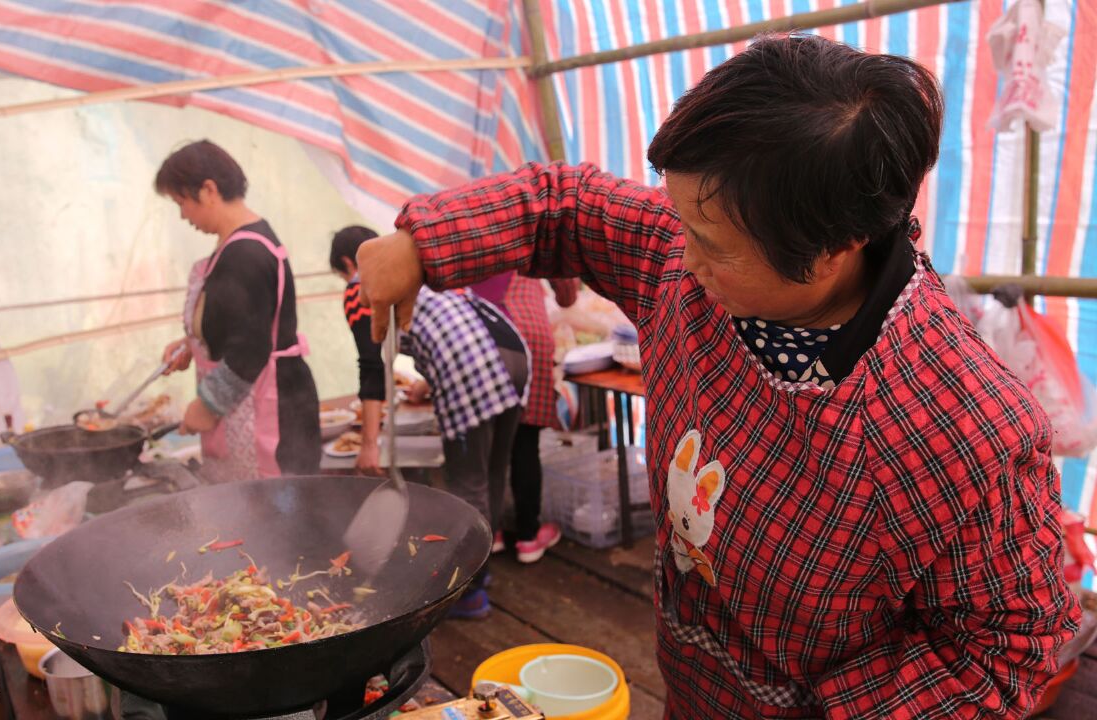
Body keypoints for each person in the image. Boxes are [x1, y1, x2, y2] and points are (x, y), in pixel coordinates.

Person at [354, 35, 1080, 719]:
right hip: (690, 681)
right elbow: (566, 204)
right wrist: (423, 241)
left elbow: (1004, 645)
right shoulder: (683, 254)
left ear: (832, 251)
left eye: (712, 246)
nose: (685, 258)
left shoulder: (960, 425)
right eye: (681, 221)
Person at [331, 225, 526, 618]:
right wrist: (425, 382)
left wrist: (370, 444)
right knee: (491, 476)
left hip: (473, 370)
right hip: (512, 356)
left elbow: (372, 366)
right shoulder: (412, 263)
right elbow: (450, 325)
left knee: (467, 487)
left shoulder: (360, 286)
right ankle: (481, 574)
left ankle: (468, 593)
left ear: (350, 262)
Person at [156, 140, 319, 483]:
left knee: (272, 522)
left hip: (272, 414)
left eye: (181, 202)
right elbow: (243, 320)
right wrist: (195, 343)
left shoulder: (245, 253)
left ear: (209, 189)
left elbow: (251, 348)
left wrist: (207, 406)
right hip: (256, 404)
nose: (183, 215)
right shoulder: (237, 242)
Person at [471, 273, 580, 562]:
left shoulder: (463, 227)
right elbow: (567, 291)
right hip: (526, 335)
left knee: (487, 442)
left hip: (474, 332)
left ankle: (489, 532)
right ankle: (528, 538)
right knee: (525, 441)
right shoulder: (537, 226)